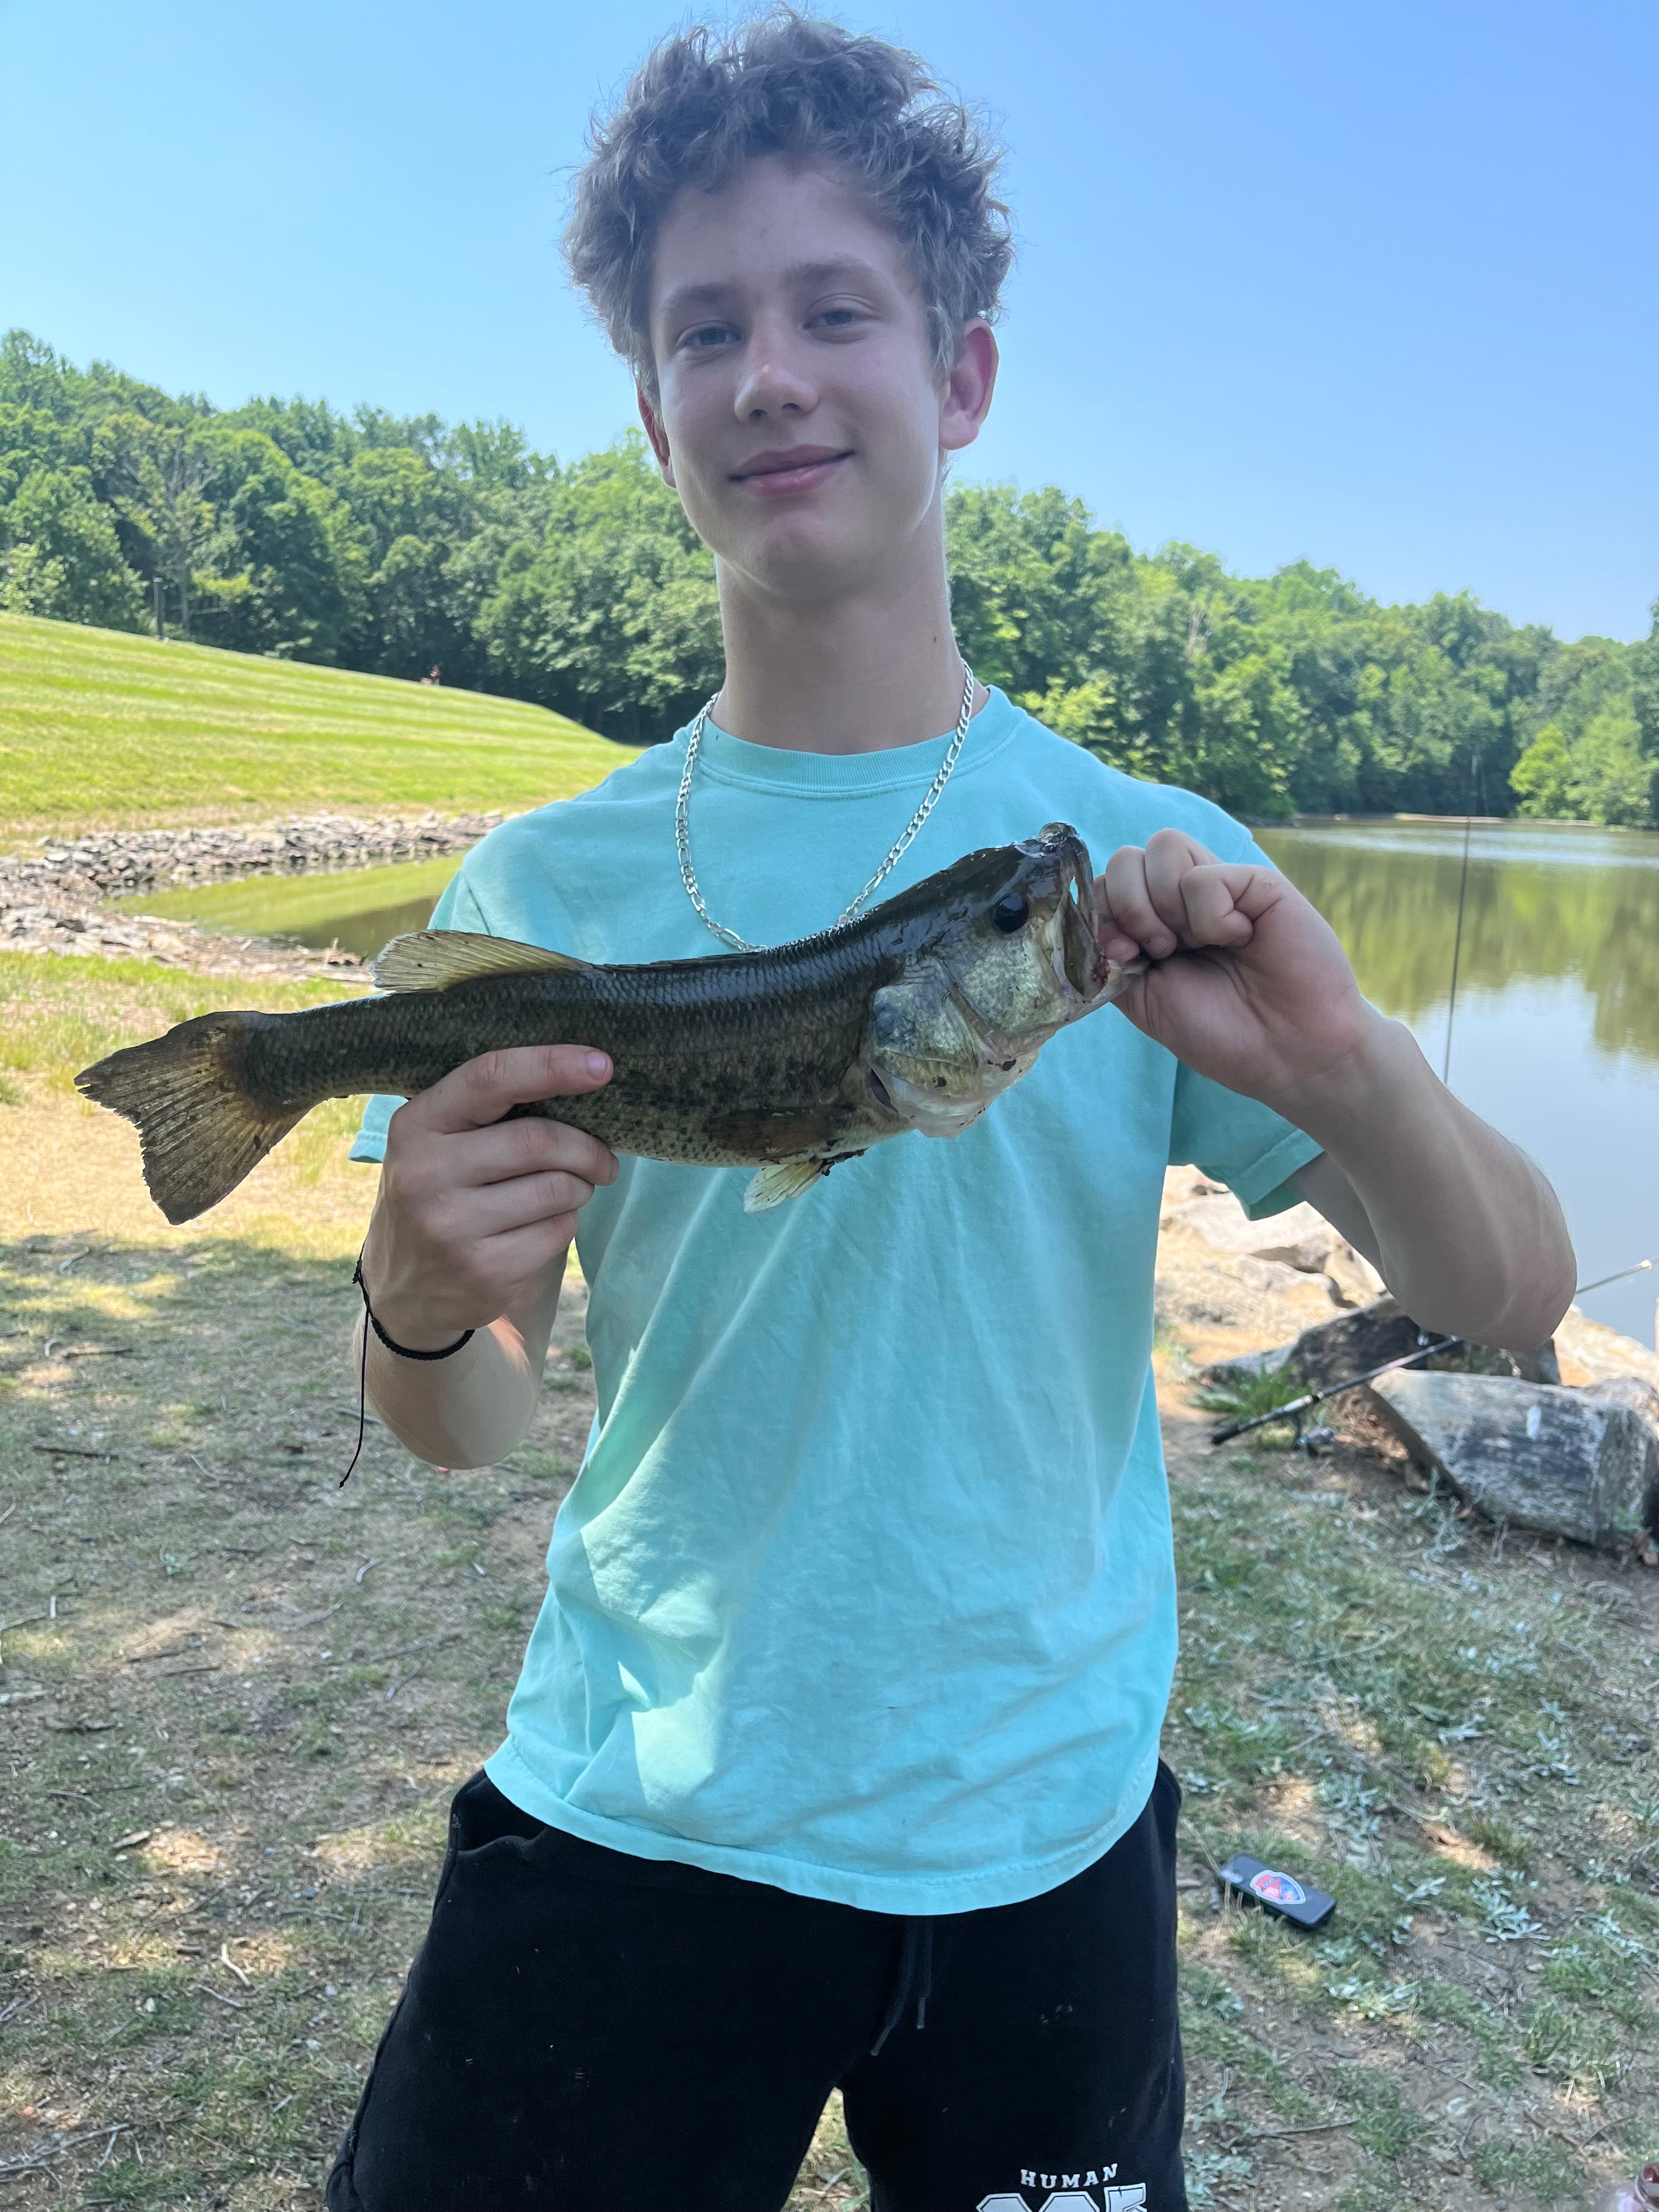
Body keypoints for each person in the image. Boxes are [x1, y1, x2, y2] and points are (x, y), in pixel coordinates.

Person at [327, 18, 1575, 2211]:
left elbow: (1509, 1294)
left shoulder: (1144, 880)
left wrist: (1350, 1070)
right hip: (639, 1802)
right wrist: (421, 1300)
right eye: (704, 329)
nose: (768, 376)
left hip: (1042, 1838)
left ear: (962, 374)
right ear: (654, 418)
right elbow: (466, 1421)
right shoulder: (538, 895)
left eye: (838, 310)